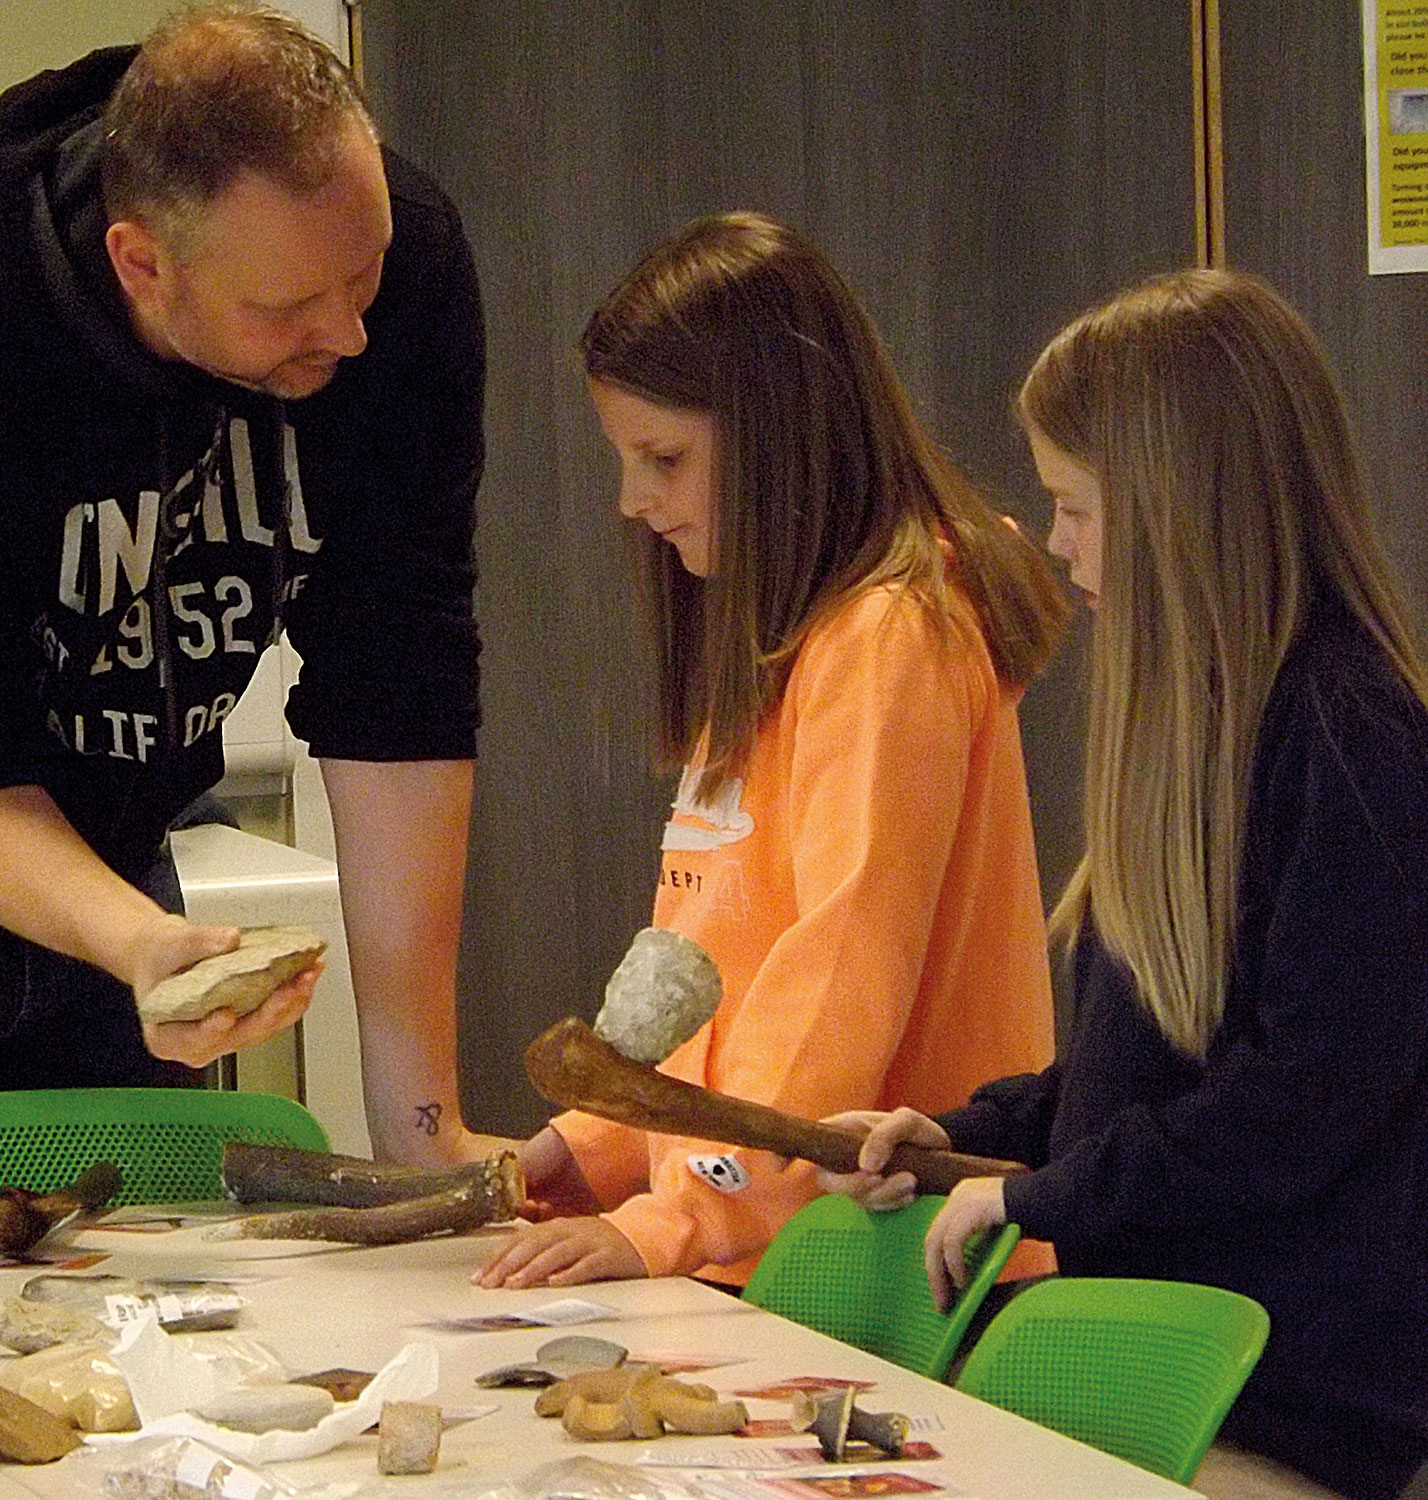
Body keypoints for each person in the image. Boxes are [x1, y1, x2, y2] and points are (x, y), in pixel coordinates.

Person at [826, 270, 1428, 1500]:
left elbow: (1298, 1101)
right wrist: (970, 1137)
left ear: (1181, 506)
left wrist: (1038, 1196)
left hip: (1281, 1403)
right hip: (1174, 1367)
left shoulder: (1352, 733)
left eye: (1076, 505)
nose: (1053, 542)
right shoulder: (1213, 728)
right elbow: (1141, 1066)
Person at [0, 3, 493, 1167]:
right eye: (287, 308)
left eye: (364, 273)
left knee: (105, 1278)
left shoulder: (402, 263)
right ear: (143, 261)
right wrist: (138, 943)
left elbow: (401, 675)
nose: (351, 332)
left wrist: (419, 1124)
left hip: (123, 853)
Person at [475, 212, 1069, 1292]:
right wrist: (601, 1140)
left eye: (663, 459)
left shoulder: (889, 636)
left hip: (882, 1265)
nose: (632, 502)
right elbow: (717, 959)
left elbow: (839, 971)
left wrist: (684, 1216)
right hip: (782, 1243)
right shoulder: (788, 635)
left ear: (777, 434)